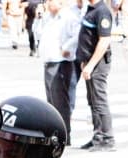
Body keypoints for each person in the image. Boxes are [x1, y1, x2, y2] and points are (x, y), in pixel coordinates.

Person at [38, 0, 79, 145]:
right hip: (48, 60)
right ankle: (54, 132)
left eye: (51, 1)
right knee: (51, 100)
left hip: (61, 62)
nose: (48, 3)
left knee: (60, 102)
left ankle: (64, 135)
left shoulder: (68, 17)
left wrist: (66, 47)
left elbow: (77, 35)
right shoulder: (48, 17)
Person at [76, 0, 115, 151]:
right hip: (89, 61)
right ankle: (97, 137)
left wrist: (91, 64)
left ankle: (107, 139)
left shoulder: (102, 11)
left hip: (98, 63)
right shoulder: (91, 9)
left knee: (99, 101)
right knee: (92, 100)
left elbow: (104, 41)